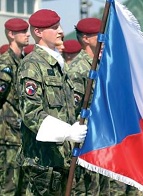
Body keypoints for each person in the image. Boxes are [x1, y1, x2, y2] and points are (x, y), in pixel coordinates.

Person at [16, 9, 87, 195]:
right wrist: (67, 132)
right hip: (42, 162)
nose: (61, 31)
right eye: (54, 27)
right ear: (38, 32)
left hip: (62, 159)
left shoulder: (57, 65)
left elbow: (68, 108)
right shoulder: (32, 64)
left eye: (60, 26)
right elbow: (31, 113)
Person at [68, 17, 111, 196]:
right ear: (85, 38)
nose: (103, 38)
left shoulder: (101, 65)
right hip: (86, 144)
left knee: (102, 190)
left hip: (102, 141)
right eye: (98, 35)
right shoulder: (78, 69)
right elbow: (73, 112)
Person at [0, 17, 30, 195]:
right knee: (8, 188)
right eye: (23, 32)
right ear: (11, 34)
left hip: (22, 137)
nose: (28, 35)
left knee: (23, 188)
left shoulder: (24, 62)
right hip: (7, 138)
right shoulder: (5, 64)